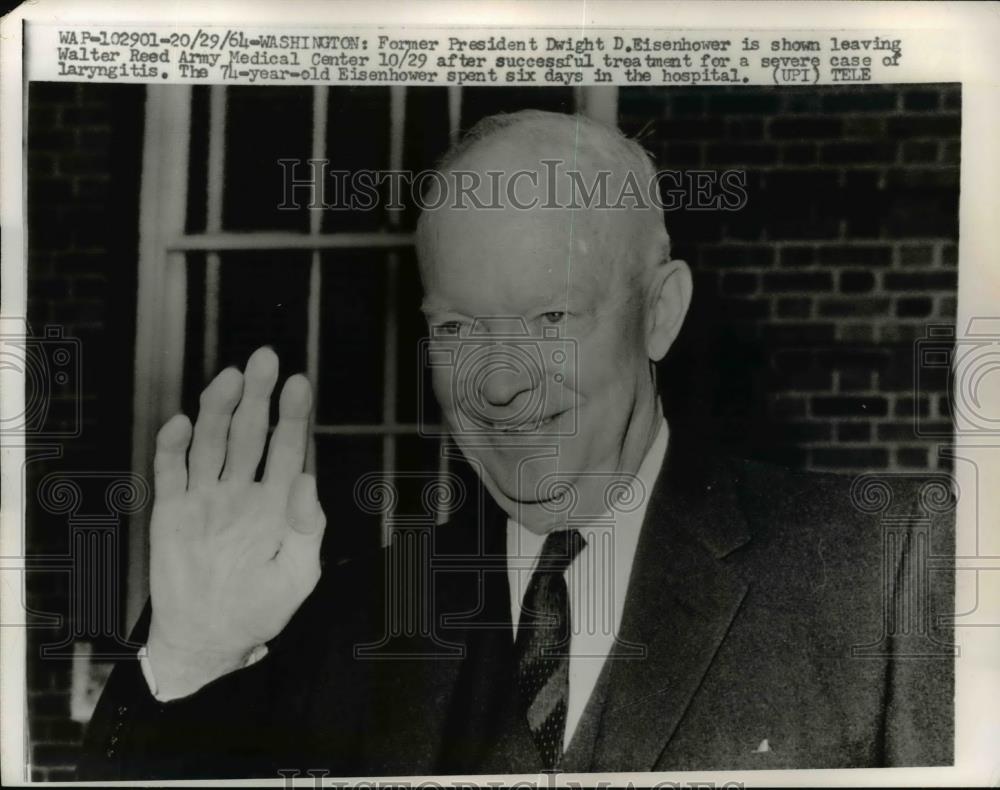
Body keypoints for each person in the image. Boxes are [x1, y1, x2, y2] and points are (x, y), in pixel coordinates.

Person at [79, 110, 954, 779]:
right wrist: (190, 659)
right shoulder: (336, 621)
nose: (497, 384)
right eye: (457, 328)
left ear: (661, 313)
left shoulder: (884, 568)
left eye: (550, 318)